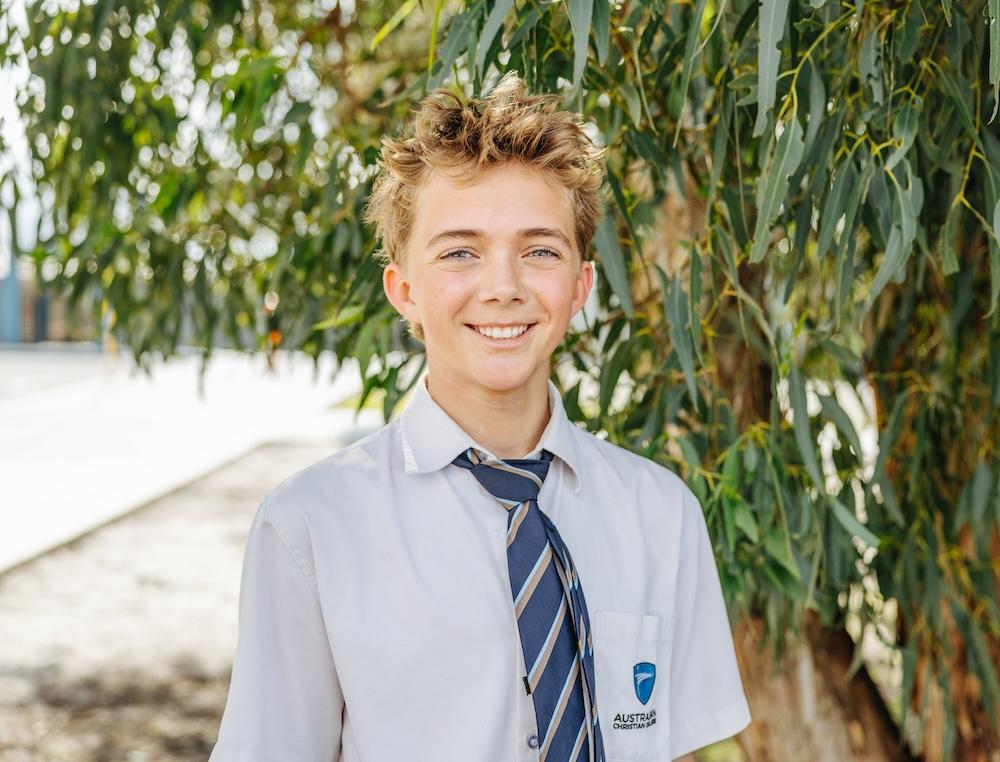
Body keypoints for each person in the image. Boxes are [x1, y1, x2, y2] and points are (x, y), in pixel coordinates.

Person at [208, 70, 751, 762]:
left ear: (581, 284)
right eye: (460, 252)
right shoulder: (312, 528)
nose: (503, 287)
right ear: (403, 291)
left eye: (540, 251)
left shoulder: (661, 515)